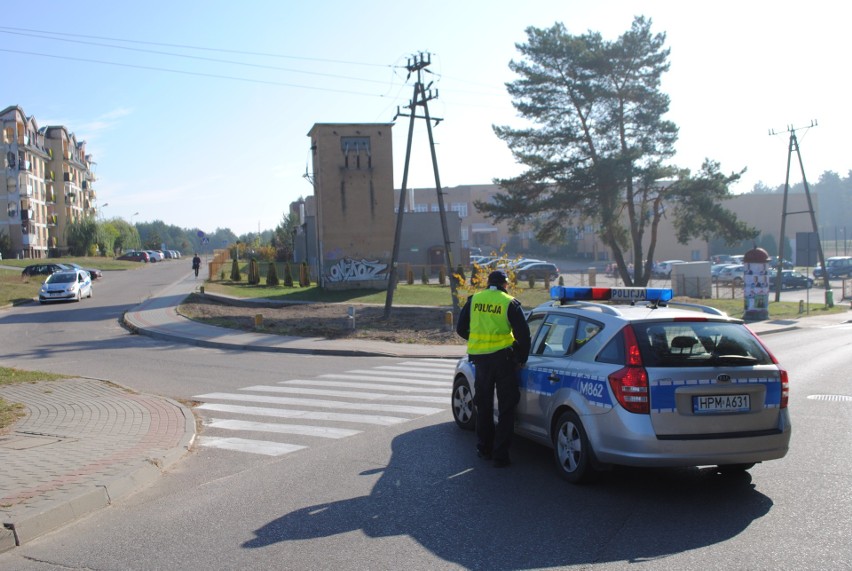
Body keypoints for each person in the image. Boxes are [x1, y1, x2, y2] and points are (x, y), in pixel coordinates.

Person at [456, 269, 531, 468]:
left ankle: (484, 448)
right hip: (504, 360)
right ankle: (500, 455)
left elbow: (460, 328)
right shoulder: (509, 302)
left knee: (484, 404)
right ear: (505, 284)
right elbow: (524, 336)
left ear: (487, 282)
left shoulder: (474, 300)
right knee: (506, 406)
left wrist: (477, 339)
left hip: (480, 361)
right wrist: (521, 357)